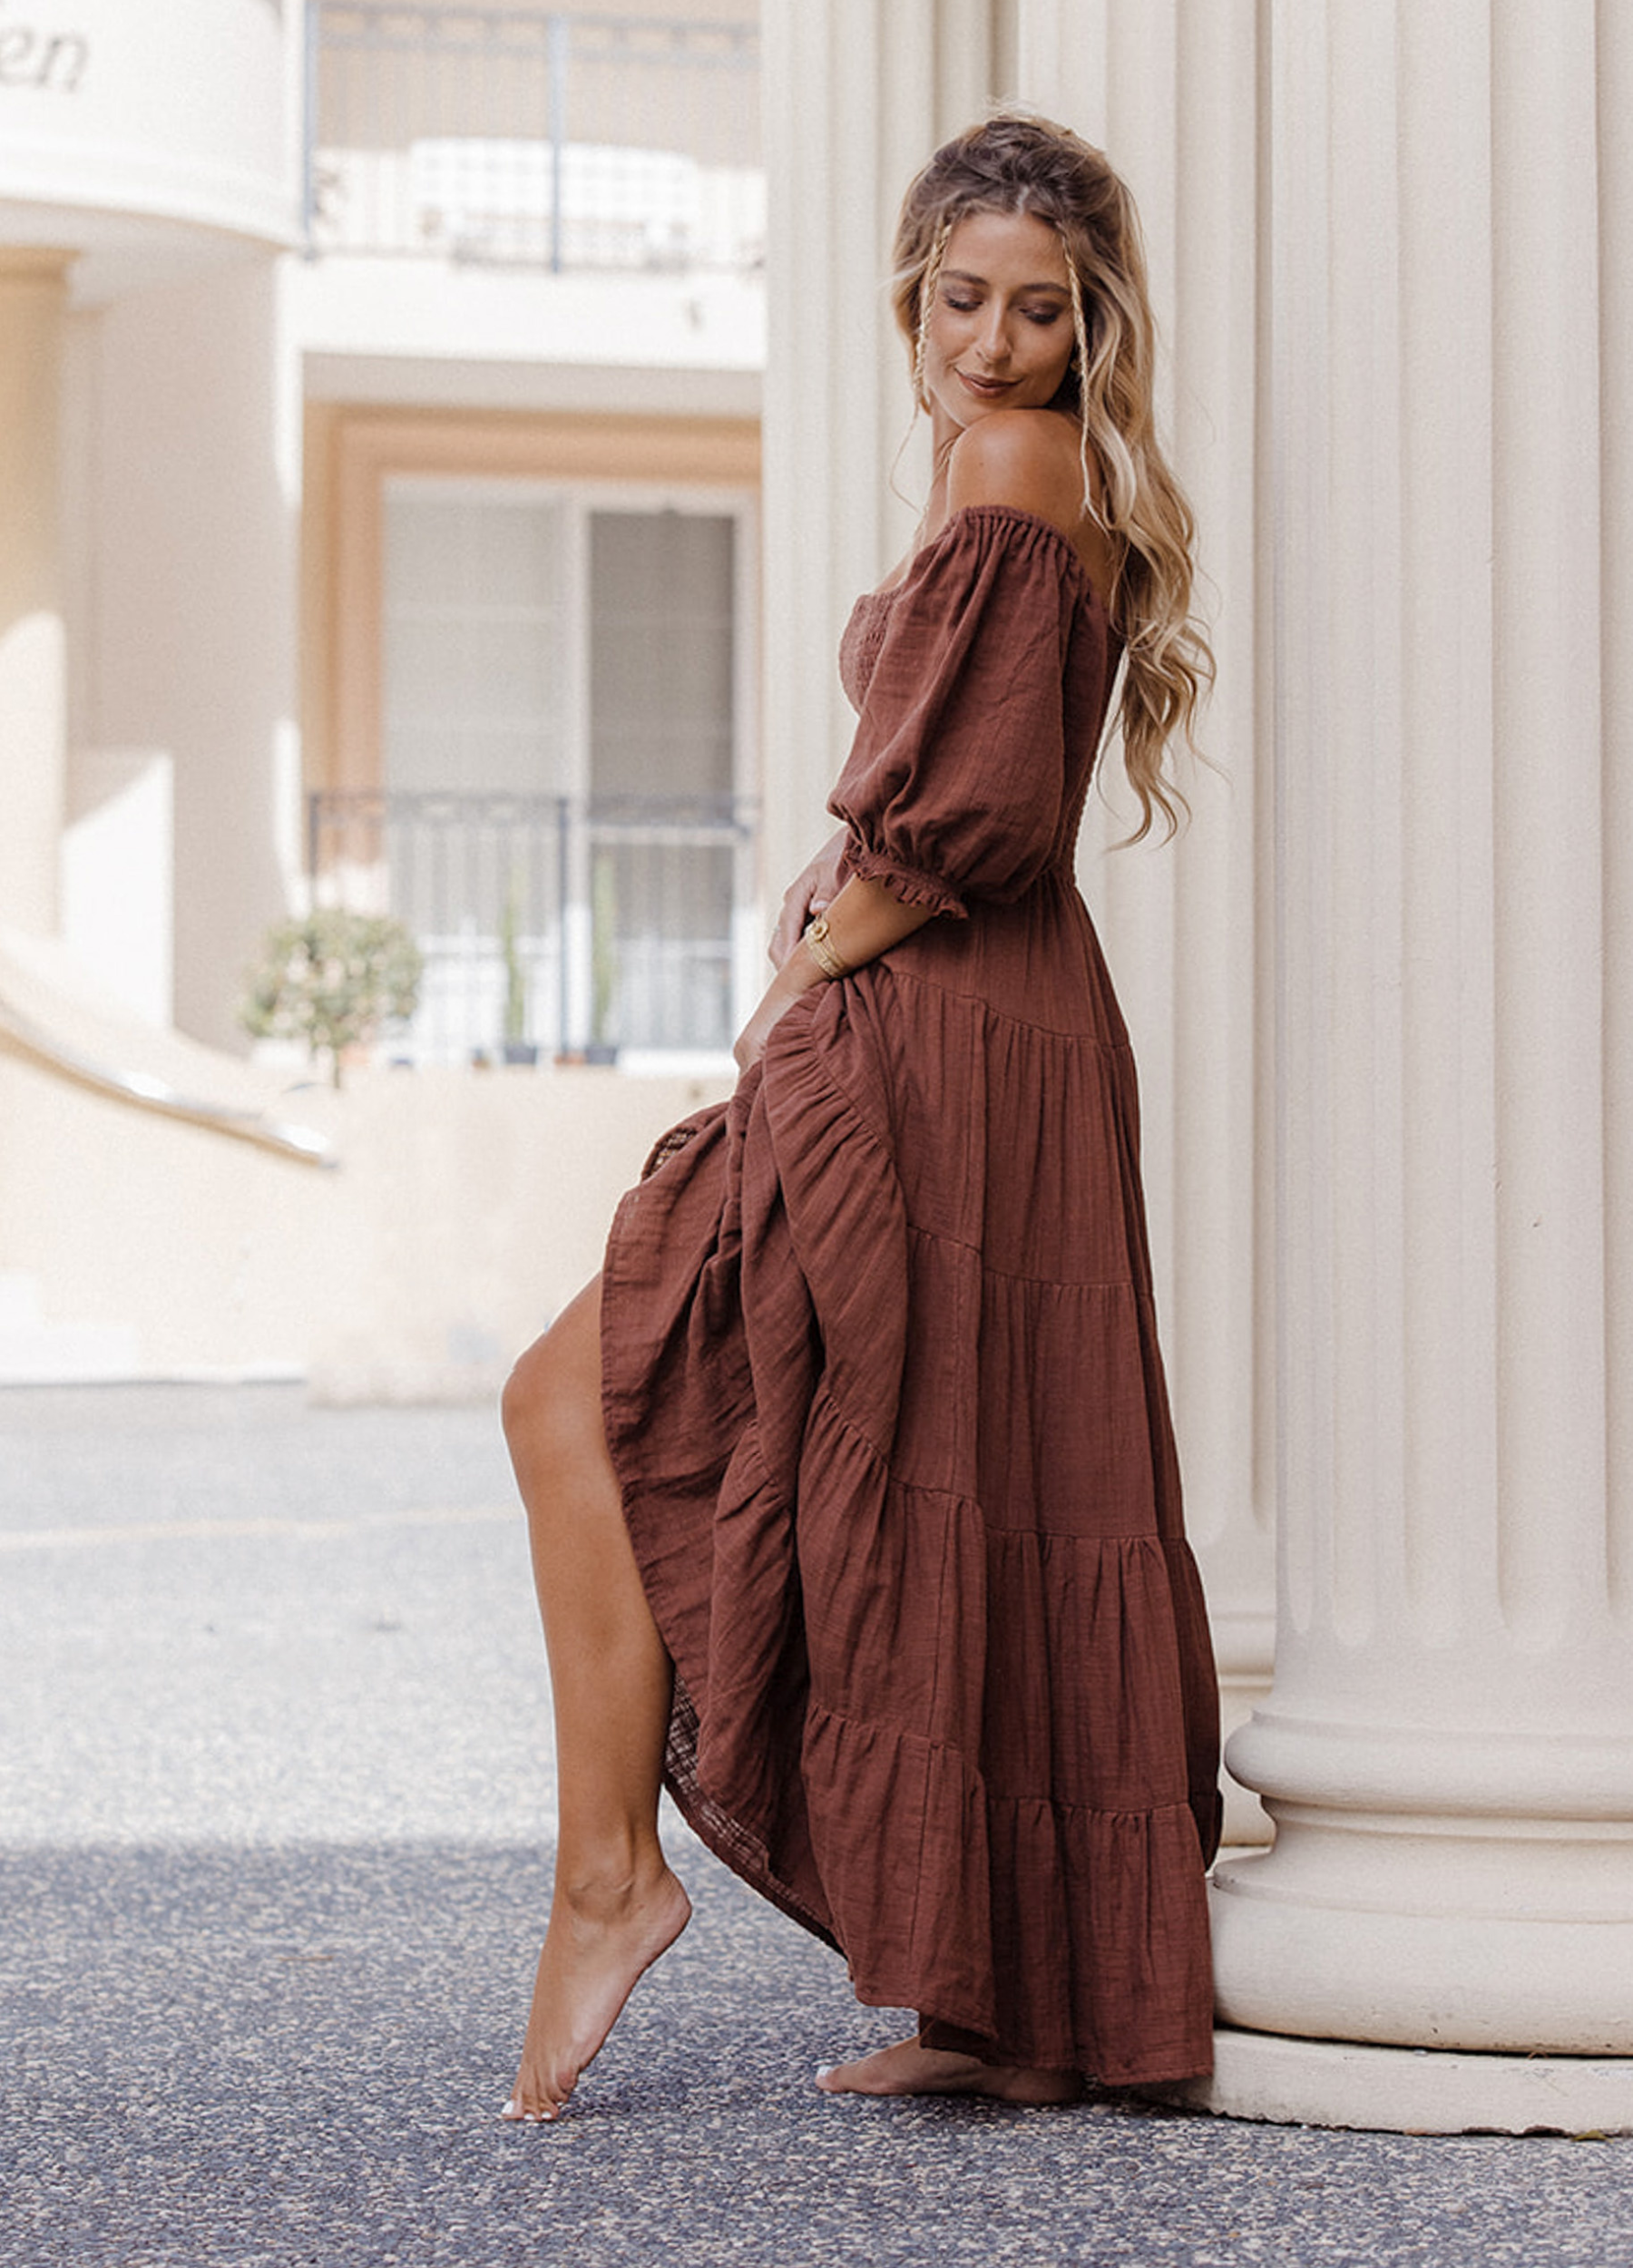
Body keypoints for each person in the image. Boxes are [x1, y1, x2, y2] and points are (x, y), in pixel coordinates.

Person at [499, 112, 1221, 2124]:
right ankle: (1004, 2002)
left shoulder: (1014, 468)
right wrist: (837, 911)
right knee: (958, 1457)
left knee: (583, 1389)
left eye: (1044, 312)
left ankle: (609, 1875)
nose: (996, 345)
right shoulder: (1003, 470)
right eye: (967, 297)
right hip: (985, 1036)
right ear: (912, 292)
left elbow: (973, 820)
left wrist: (817, 951)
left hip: (939, 1036)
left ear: (1094, 331)